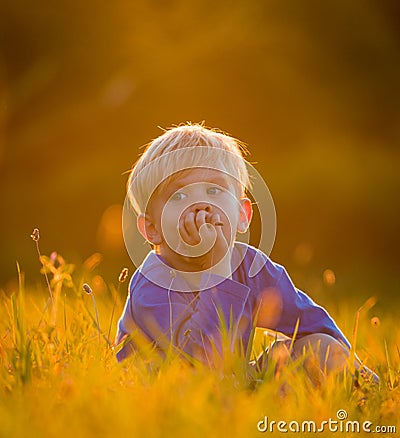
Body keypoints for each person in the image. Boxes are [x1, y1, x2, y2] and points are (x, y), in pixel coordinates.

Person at [116, 122, 377, 383]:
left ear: (242, 215)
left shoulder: (251, 267)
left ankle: (351, 387)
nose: (201, 205)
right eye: (179, 196)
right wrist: (216, 268)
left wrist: (357, 372)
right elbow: (195, 361)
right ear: (151, 229)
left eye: (214, 190)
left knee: (318, 347)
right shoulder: (152, 283)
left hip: (232, 380)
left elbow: (310, 320)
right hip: (170, 386)